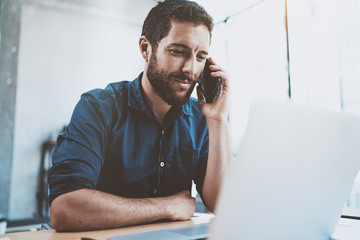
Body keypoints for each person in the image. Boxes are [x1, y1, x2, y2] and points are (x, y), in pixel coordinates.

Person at [48, 0, 232, 231]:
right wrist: (165, 207)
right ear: (146, 49)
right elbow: (65, 209)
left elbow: (226, 205)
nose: (191, 69)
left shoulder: (202, 119)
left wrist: (218, 120)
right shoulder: (98, 108)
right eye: (178, 52)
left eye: (200, 57)